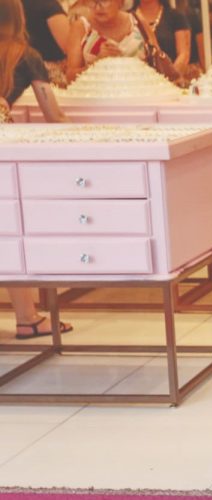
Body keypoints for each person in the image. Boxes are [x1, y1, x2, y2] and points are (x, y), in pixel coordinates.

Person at [0, 0, 73, 339]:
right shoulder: (23, 55)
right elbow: (52, 114)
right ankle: (27, 317)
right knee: (9, 234)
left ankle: (28, 318)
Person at [65, 0, 148, 80]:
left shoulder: (138, 23)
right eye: (92, 1)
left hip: (137, 92)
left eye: (104, 1)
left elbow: (157, 65)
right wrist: (97, 62)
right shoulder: (81, 27)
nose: (97, 8)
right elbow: (70, 77)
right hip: (96, 93)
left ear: (120, 1)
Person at [20, 0, 72, 86]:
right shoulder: (49, 6)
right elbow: (69, 47)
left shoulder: (12, 4)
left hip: (22, 72)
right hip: (50, 74)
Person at [131, 0, 190, 75]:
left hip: (168, 80)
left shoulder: (176, 16)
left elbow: (183, 54)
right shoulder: (128, 17)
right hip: (135, 79)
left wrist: (172, 76)